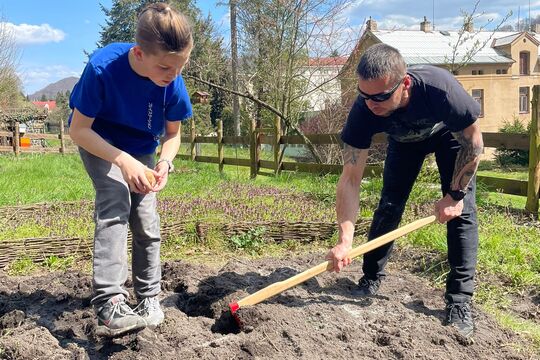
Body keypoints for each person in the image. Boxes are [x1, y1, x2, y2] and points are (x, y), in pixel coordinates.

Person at [327, 43, 483, 339]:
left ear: (405, 84)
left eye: (381, 96)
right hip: (404, 142)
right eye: (365, 95)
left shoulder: (441, 90)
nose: (372, 103)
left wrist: (455, 196)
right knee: (389, 205)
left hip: (450, 139)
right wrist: (345, 240)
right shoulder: (364, 110)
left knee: (461, 214)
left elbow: (474, 141)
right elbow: (350, 179)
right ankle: (370, 276)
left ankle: (460, 302)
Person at [68, 2, 193, 337]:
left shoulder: (172, 79)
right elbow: (78, 130)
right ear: (138, 54)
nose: (173, 76)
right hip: (100, 141)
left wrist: (165, 161)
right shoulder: (102, 68)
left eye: (180, 67)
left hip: (141, 148)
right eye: (166, 67)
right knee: (116, 198)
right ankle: (109, 302)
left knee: (146, 217)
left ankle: (149, 298)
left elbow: (173, 133)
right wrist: (122, 161)